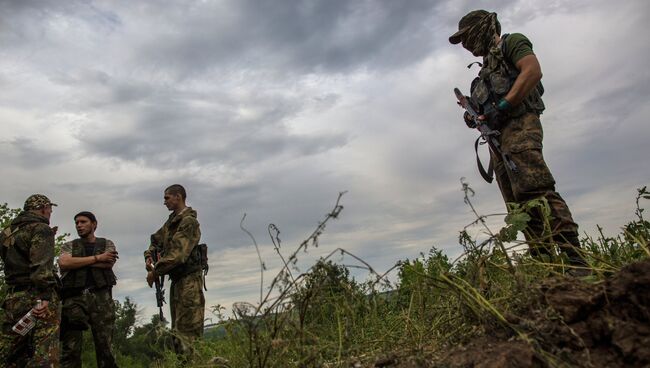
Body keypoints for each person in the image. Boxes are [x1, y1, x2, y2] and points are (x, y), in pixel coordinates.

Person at [449, 10, 587, 270]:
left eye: (467, 37)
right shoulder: (484, 71)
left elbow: (532, 71)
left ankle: (576, 262)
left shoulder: (512, 43)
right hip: (499, 143)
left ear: (482, 29)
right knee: (519, 207)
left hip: (521, 127)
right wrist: (477, 117)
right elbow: (487, 113)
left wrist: (502, 105)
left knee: (537, 190)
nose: (466, 45)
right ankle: (549, 268)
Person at [0, 194, 61, 367]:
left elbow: (12, 259)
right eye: (50, 209)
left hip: (13, 298)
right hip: (37, 298)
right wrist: (45, 297)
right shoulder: (41, 228)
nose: (50, 213)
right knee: (45, 353)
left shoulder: (7, 231)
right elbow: (41, 268)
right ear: (43, 209)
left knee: (11, 354)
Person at [144, 184, 204, 356]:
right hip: (177, 282)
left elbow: (177, 255)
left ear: (178, 197)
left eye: (167, 198)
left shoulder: (188, 222)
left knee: (189, 334)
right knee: (177, 333)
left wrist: (155, 272)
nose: (164, 202)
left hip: (189, 282)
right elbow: (155, 241)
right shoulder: (171, 223)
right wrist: (149, 256)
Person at [58, 211, 119, 368]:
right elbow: (64, 263)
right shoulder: (69, 245)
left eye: (83, 222)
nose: (79, 225)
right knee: (70, 348)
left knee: (106, 347)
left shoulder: (107, 243)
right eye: (77, 223)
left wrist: (77, 263)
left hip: (101, 298)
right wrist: (98, 258)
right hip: (74, 300)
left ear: (94, 224)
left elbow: (109, 263)